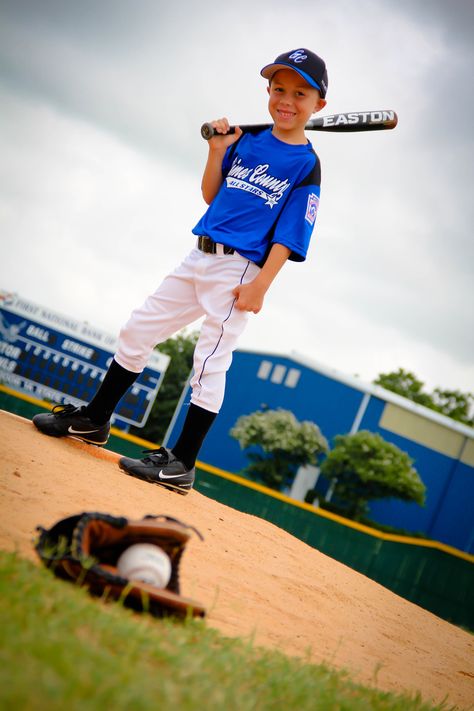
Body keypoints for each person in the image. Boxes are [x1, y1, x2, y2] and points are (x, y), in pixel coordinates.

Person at [33, 48, 328, 495]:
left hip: (241, 272)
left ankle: (182, 463)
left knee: (208, 363)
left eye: (300, 93)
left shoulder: (306, 163)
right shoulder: (247, 141)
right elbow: (213, 195)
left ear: (318, 105)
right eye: (279, 89)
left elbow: (292, 234)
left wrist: (262, 286)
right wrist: (216, 151)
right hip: (199, 257)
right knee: (138, 329)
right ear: (268, 91)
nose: (287, 100)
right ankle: (95, 418)